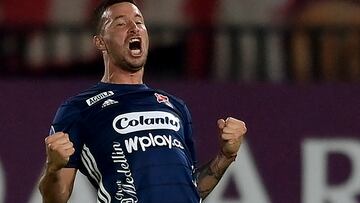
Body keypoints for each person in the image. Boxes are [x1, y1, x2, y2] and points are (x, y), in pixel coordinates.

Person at [38, 0, 247, 202]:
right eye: (120, 23)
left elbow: (191, 190)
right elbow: (56, 198)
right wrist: (53, 167)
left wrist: (226, 156)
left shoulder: (175, 106)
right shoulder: (79, 109)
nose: (134, 28)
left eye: (139, 22)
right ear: (100, 41)